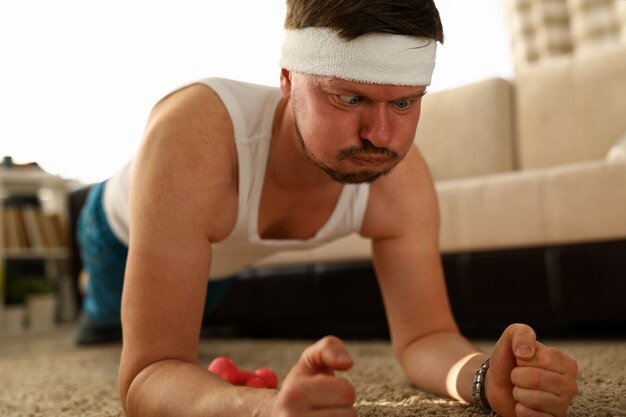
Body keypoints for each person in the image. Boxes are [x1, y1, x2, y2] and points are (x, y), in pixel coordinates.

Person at [75, 0, 578, 416]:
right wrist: (261, 408)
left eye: (404, 103)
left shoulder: (399, 177)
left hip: (217, 260)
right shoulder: (192, 141)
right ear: (288, 79)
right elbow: (145, 376)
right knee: (105, 329)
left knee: (199, 320)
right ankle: (85, 290)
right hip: (115, 238)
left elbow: (426, 336)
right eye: (348, 98)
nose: (380, 137)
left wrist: (483, 378)